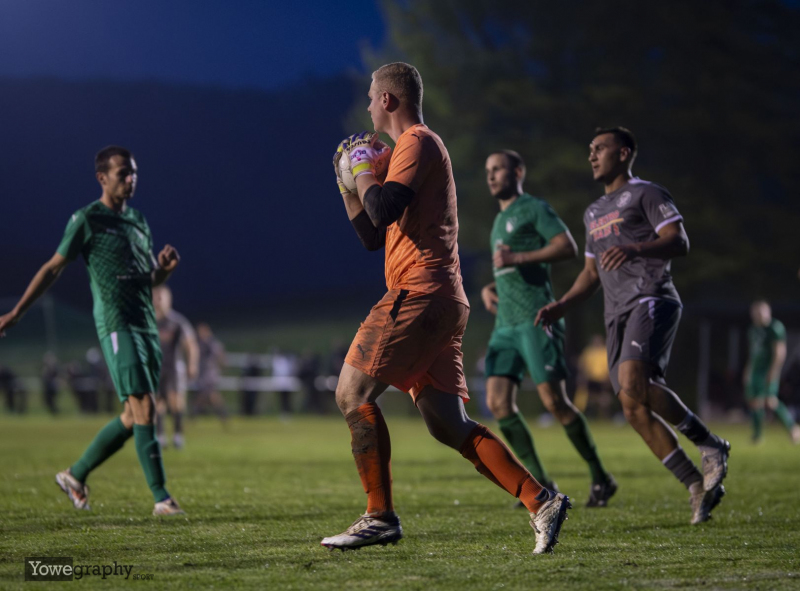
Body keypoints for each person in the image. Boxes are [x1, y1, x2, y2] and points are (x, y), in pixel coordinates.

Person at [325, 62, 570, 555]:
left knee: (351, 392)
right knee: (446, 423)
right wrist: (348, 187)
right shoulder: (405, 152)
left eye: (372, 97)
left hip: (420, 293)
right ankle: (540, 500)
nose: (369, 107)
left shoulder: (418, 141)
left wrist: (361, 170)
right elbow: (373, 234)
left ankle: (379, 516)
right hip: (440, 299)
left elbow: (384, 208)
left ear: (388, 99)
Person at [536, 127, 730, 524]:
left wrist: (634, 248)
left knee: (634, 381)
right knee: (632, 405)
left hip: (651, 296)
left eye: (600, 148)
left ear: (624, 153)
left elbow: (679, 240)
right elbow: (591, 273)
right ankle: (696, 486)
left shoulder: (647, 194)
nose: (592, 155)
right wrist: (562, 305)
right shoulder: (593, 212)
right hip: (616, 313)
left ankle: (711, 444)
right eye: (590, 149)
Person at [0, 145, 184, 516]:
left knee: (133, 416)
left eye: (133, 172)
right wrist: (17, 312)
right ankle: (162, 498)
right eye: (123, 173)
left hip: (146, 325)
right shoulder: (87, 219)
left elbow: (147, 278)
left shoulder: (138, 221)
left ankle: (75, 475)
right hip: (117, 323)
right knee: (145, 406)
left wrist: (163, 271)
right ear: (102, 178)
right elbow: (53, 268)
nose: (130, 179)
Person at [481, 150, 616, 507]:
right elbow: (509, 269)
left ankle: (601, 477)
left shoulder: (533, 208)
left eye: (499, 169)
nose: (491, 176)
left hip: (536, 317)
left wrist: (517, 257)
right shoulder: (499, 220)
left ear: (518, 172)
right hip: (505, 324)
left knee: (555, 402)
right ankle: (541, 483)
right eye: (488, 170)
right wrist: (489, 288)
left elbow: (567, 246)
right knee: (497, 403)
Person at [743, 300, 800, 443]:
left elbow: (779, 353)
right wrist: (748, 370)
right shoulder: (753, 330)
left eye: (761, 311)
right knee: (754, 402)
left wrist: (773, 371)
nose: (758, 315)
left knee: (770, 401)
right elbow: (752, 354)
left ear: (768, 312)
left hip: (767, 370)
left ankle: (793, 428)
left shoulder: (774, 328)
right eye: (755, 312)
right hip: (755, 371)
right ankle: (757, 435)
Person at [153, 285, 199, 449]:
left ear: (169, 299)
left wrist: (192, 364)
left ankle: (178, 435)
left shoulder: (177, 321)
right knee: (157, 402)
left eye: (161, 297)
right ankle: (160, 436)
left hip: (174, 368)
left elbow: (191, 344)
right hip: (156, 368)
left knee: (176, 401)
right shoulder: (149, 321)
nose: (158, 300)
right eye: (156, 297)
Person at [193, 322, 228, 421]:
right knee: (205, 395)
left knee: (209, 395)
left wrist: (221, 365)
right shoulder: (199, 344)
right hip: (203, 374)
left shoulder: (212, 344)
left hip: (210, 374)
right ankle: (223, 415)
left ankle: (193, 415)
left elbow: (220, 356)